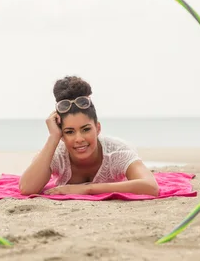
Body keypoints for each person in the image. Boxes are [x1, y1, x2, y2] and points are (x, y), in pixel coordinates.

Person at [19, 76, 159, 197]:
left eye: (85, 129)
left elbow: (151, 187)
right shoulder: (57, 154)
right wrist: (53, 137)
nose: (79, 138)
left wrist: (86, 189)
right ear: (62, 135)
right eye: (69, 132)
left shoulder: (117, 153)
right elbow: (26, 188)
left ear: (97, 128)